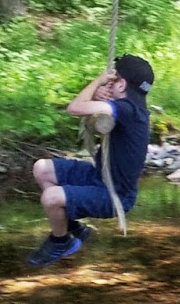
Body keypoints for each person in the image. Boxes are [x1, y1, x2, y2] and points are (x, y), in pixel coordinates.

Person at [29, 54, 154, 265]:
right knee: (41, 168)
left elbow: (74, 108)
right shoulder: (131, 109)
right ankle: (71, 226)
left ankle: (61, 242)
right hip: (99, 177)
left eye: (113, 79)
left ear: (121, 85)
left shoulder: (128, 110)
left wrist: (98, 80)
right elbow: (91, 106)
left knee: (51, 197)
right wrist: (97, 95)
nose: (109, 83)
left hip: (115, 195)